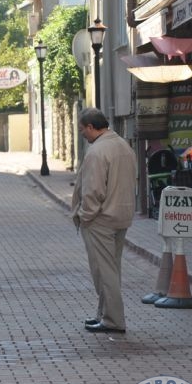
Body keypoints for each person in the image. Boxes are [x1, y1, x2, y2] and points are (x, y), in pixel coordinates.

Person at [71, 108, 136, 333]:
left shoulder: (97, 151)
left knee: (103, 272)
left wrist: (84, 216)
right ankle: (105, 315)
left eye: (82, 131)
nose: (83, 135)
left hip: (101, 218)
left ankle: (113, 320)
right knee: (111, 269)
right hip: (121, 215)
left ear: (91, 127)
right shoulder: (123, 145)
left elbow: (93, 190)